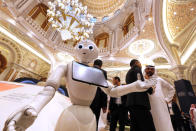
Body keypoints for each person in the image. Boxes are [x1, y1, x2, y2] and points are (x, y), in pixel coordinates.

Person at [3, 40, 156, 131]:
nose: (85, 48)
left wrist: (135, 85)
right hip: (71, 114)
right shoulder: (67, 66)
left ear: (95, 53)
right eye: (81, 45)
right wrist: (34, 107)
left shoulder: (96, 74)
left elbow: (113, 91)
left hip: (88, 117)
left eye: (90, 47)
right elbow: (49, 88)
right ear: (76, 49)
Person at [125, 59, 156, 131]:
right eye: (140, 63)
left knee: (135, 126)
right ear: (137, 63)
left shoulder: (128, 73)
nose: (141, 65)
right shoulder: (137, 69)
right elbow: (141, 84)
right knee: (147, 126)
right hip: (139, 102)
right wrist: (151, 90)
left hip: (131, 103)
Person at [144, 65, 175, 131]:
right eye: (148, 69)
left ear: (154, 70)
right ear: (145, 70)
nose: (149, 70)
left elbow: (171, 89)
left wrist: (167, 99)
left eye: (151, 69)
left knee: (164, 122)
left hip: (161, 105)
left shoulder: (159, 80)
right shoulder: (143, 81)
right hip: (148, 107)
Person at [90, 59, 107, 130]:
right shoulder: (103, 72)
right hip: (97, 100)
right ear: (101, 66)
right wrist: (104, 105)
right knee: (95, 120)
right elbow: (103, 89)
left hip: (85, 98)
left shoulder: (87, 69)